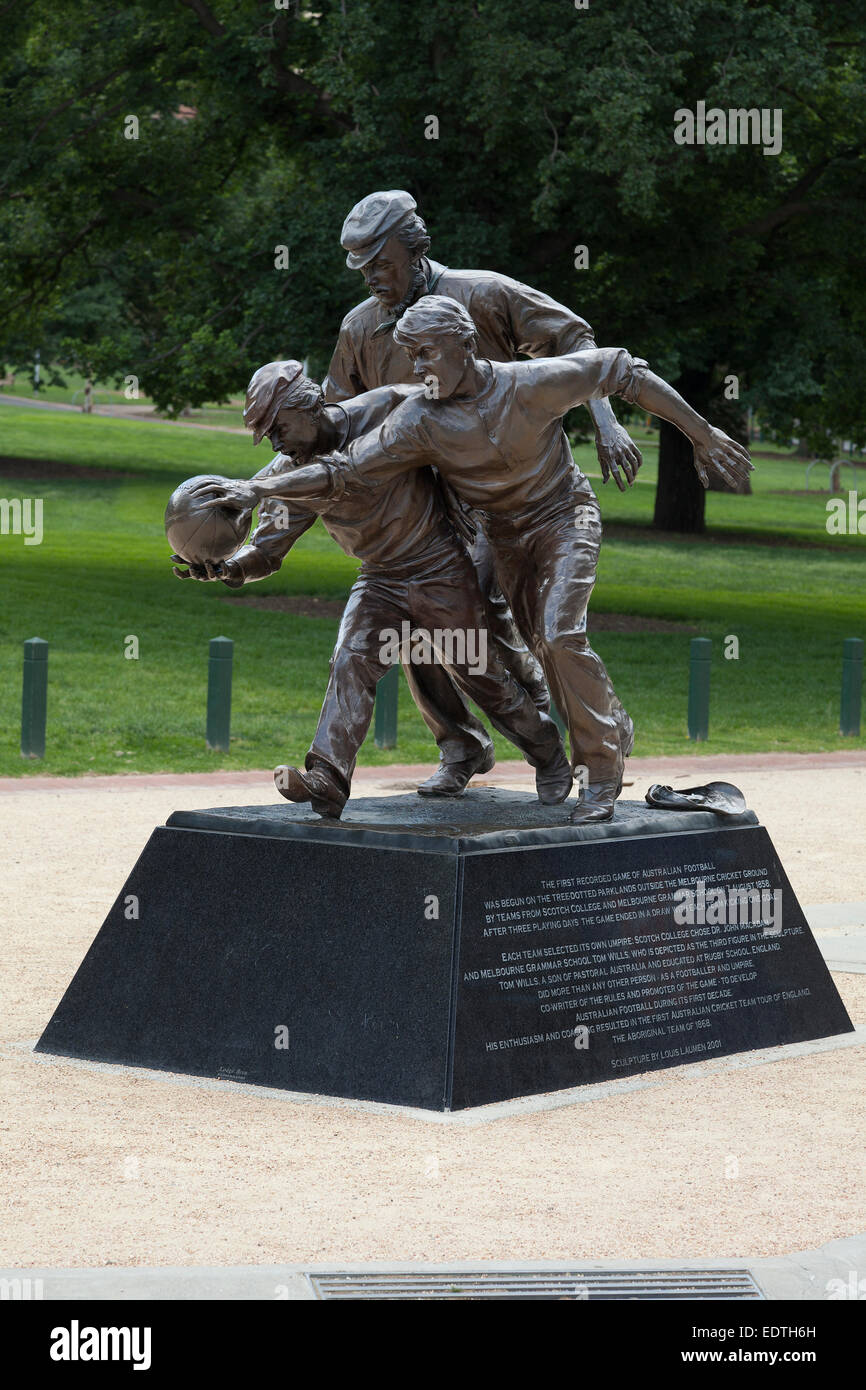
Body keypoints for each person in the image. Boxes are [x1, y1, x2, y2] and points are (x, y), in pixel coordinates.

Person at [212, 298, 751, 824]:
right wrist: (252, 506)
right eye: (412, 356)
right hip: (484, 540)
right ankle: (336, 776)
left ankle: (601, 768)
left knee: (554, 637)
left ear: (464, 344)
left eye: (426, 354)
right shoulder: (416, 419)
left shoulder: (525, 383)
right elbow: (342, 473)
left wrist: (702, 435)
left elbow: (620, 368)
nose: (417, 368)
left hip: (563, 516)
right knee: (461, 650)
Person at [324, 189, 640, 793]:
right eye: (362, 269)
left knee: (512, 628)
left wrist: (606, 422)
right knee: (419, 620)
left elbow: (578, 345)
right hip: (425, 512)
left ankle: (574, 730)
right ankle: (460, 743)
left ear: (415, 249)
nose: (372, 279)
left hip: (512, 494)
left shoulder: (482, 292)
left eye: (382, 264)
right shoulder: (361, 328)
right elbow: (338, 414)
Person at [174, 359, 572, 818]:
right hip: (379, 578)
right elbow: (267, 549)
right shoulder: (285, 476)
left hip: (438, 567)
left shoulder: (385, 408)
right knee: (350, 659)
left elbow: (455, 426)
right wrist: (229, 569)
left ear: (308, 407)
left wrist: (466, 496)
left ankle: (547, 752)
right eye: (267, 435)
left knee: (479, 675)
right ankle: (328, 778)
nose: (277, 442)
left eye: (278, 427)